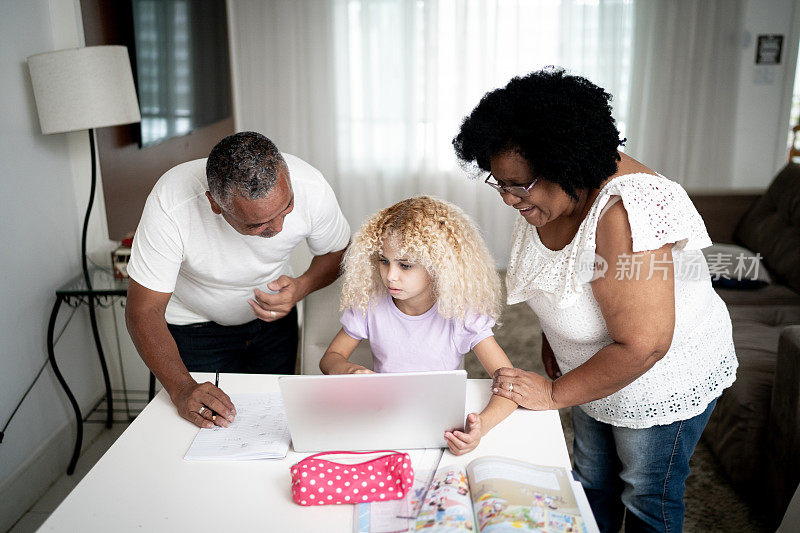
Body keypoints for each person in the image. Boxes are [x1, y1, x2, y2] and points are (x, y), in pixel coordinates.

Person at [452, 68, 737, 532]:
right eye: (497, 181)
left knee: (646, 496)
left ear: (565, 165)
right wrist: (556, 339)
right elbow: (565, 275)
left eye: (517, 185)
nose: (507, 198)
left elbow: (645, 345)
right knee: (590, 483)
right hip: (594, 368)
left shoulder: (627, 210)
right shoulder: (548, 191)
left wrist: (554, 393)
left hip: (657, 376)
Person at [126, 132, 350, 430]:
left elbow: (338, 251)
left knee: (275, 425)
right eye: (258, 224)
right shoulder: (172, 203)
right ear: (215, 205)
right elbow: (143, 311)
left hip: (274, 326)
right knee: (204, 430)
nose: (280, 227)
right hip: (195, 328)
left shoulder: (311, 186)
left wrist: (302, 286)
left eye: (287, 207)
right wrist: (181, 389)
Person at [319, 196, 518, 456]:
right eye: (383, 260)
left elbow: (510, 385)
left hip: (441, 426)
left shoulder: (461, 314)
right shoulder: (370, 305)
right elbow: (330, 359)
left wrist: (481, 427)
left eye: (405, 265)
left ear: (440, 267)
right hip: (383, 420)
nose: (390, 275)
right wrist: (348, 370)